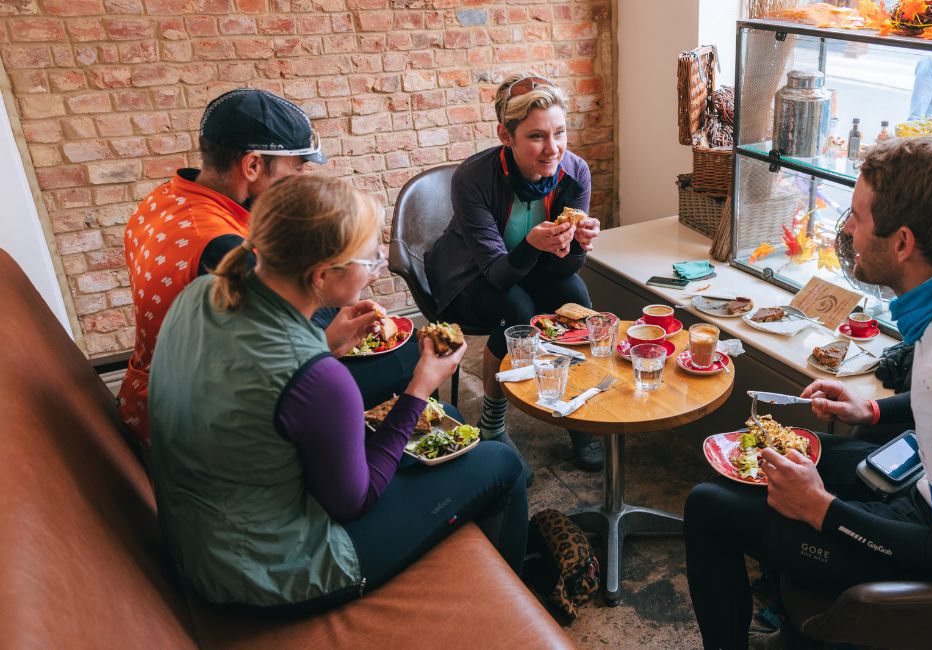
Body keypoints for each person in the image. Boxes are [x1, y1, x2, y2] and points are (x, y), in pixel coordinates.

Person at [683, 136, 932, 649]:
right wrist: (870, 410)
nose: (848, 228)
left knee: (709, 508)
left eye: (857, 216)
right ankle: (791, 617)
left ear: (902, 243)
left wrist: (820, 509)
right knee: (774, 458)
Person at [148, 175, 526, 612]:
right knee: (500, 462)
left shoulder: (202, 291)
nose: (380, 263)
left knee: (433, 438)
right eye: (370, 257)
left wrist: (324, 342)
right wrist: (420, 386)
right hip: (268, 573)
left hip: (200, 535)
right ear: (322, 275)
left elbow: (251, 379)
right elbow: (354, 501)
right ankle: (511, 608)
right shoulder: (319, 380)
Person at [119, 88, 417, 446]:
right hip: (199, 417)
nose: (301, 180)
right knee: (403, 360)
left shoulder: (166, 197)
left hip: (164, 384)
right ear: (253, 166)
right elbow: (296, 334)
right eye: (297, 168)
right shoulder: (221, 247)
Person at [425, 73, 603, 476]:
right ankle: (492, 423)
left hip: (532, 265)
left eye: (560, 133)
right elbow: (498, 273)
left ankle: (574, 412)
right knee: (517, 310)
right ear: (506, 136)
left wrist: (577, 244)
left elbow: (562, 269)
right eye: (537, 137)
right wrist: (533, 244)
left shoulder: (575, 172)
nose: (552, 148)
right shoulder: (473, 177)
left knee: (578, 301)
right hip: (472, 274)